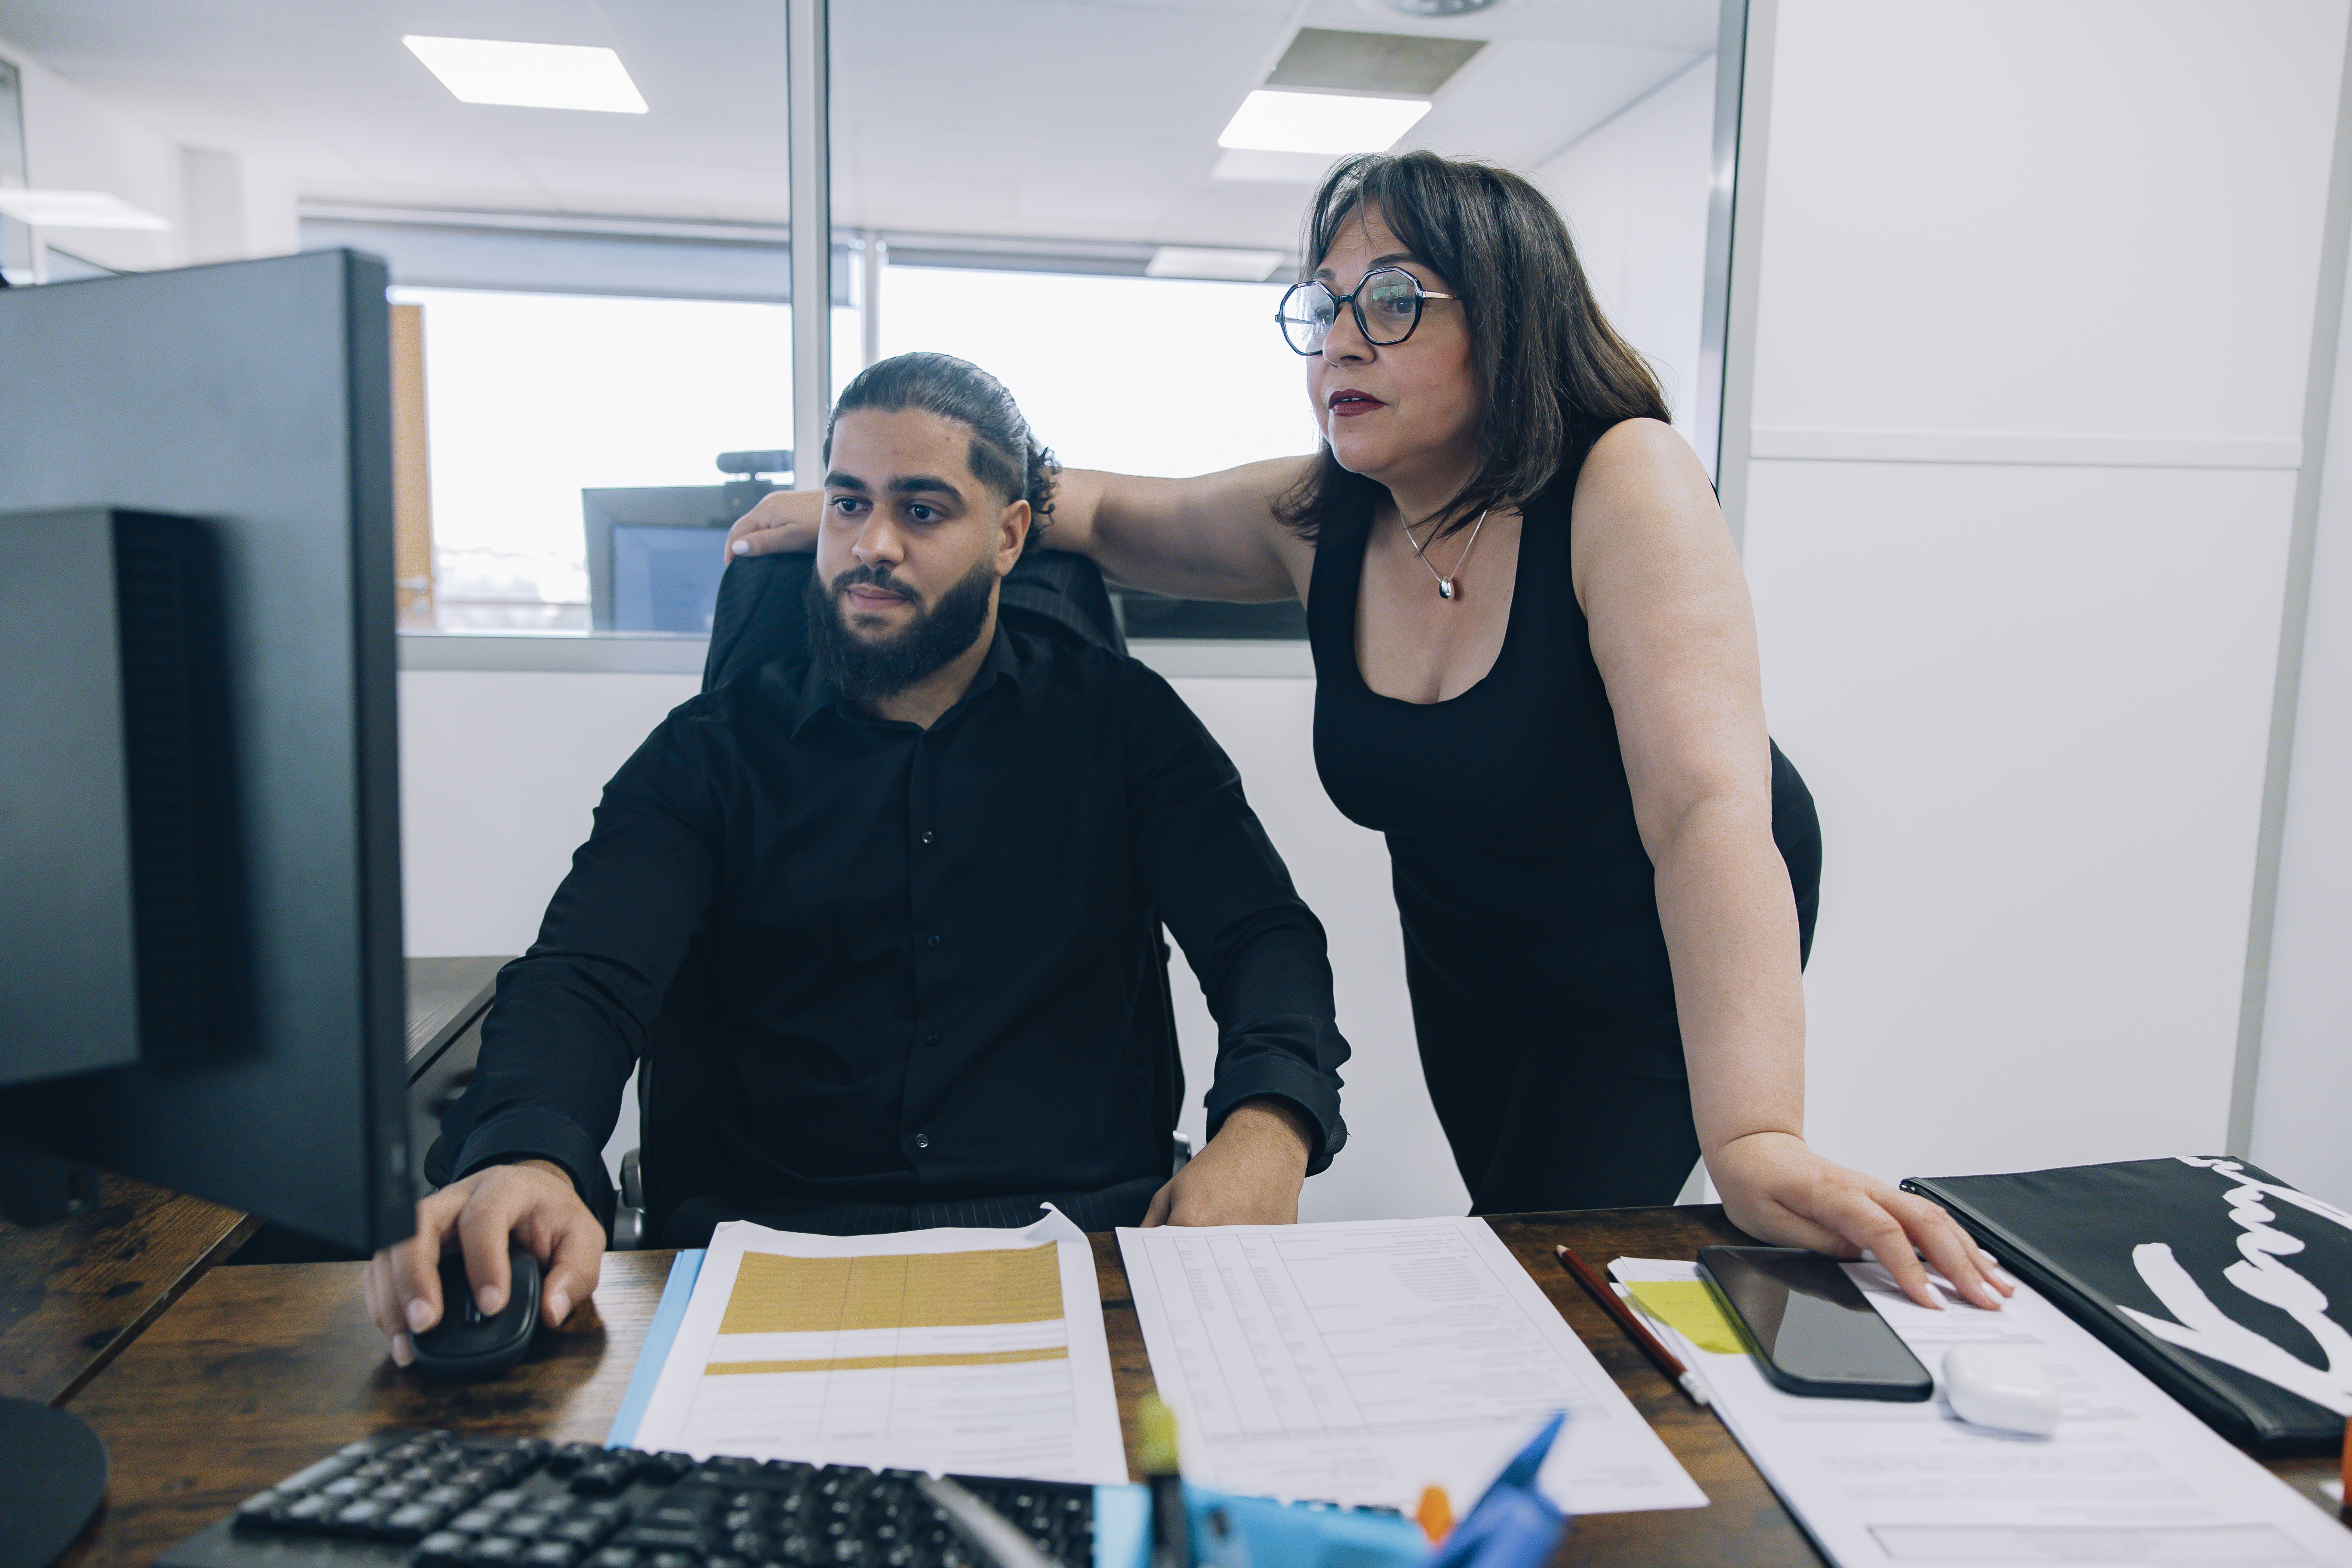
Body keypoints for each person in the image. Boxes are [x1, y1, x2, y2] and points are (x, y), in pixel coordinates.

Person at [728, 154, 2009, 1312]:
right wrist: (871, 507)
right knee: (1503, 1237)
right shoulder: (1324, 515)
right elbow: (1107, 513)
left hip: (1648, 941)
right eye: (1324, 305)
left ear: (1507, 318)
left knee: (1544, 1277)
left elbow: (1707, 813)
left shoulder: (1625, 480)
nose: (1341, 339)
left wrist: (1758, 1136)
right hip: (1470, 940)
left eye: (1392, 300)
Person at [362, 353, 1351, 1365]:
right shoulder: (712, 751)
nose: (871, 545)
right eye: (848, 505)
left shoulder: (1123, 728)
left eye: (922, 511)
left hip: (1085, 1248)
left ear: (1009, 537)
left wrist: (1268, 1127)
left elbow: (1261, 937)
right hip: (771, 1259)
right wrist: (529, 1154)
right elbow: (583, 975)